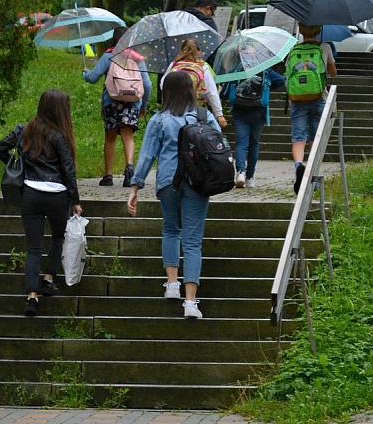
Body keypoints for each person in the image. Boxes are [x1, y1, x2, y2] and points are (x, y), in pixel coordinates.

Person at [127, 71, 221, 319]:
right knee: (192, 240)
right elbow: (219, 147)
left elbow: (147, 154)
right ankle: (190, 302)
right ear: (190, 90)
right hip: (198, 184)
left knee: (170, 229)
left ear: (166, 92)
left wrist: (136, 187)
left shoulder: (159, 120)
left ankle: (171, 284)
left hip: (168, 182)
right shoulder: (204, 116)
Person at [0, 89, 82, 317]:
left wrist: (18, 167)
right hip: (57, 195)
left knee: (33, 248)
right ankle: (49, 278)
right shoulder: (59, 136)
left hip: (30, 194)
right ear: (61, 111)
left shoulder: (25, 130)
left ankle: (31, 296)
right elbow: (68, 171)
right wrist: (76, 200)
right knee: (58, 237)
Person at [83, 26, 151, 187]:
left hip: (111, 102)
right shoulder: (137, 58)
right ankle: (129, 169)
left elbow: (92, 78)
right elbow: (147, 84)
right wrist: (144, 105)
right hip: (132, 102)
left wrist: (85, 73)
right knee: (128, 136)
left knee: (110, 137)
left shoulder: (108, 56)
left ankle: (108, 175)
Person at [287, 24, 337, 194]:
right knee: (317, 139)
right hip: (318, 97)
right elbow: (333, 72)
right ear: (319, 30)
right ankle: (313, 176)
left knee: (298, 137)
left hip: (297, 98)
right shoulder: (324, 47)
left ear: (301, 30)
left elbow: (288, 74)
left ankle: (298, 165)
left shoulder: (294, 48)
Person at [224, 68, 285, 189]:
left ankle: (240, 172)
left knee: (241, 143)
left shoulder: (237, 69)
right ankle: (250, 177)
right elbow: (281, 80)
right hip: (258, 112)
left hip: (239, 111)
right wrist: (267, 87)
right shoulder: (264, 69)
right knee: (254, 144)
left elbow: (225, 90)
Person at [161, 38, 227, 129]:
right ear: (199, 52)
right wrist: (219, 115)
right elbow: (212, 92)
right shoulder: (203, 67)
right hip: (196, 111)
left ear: (181, 50)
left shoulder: (174, 65)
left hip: (173, 109)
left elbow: (162, 85)